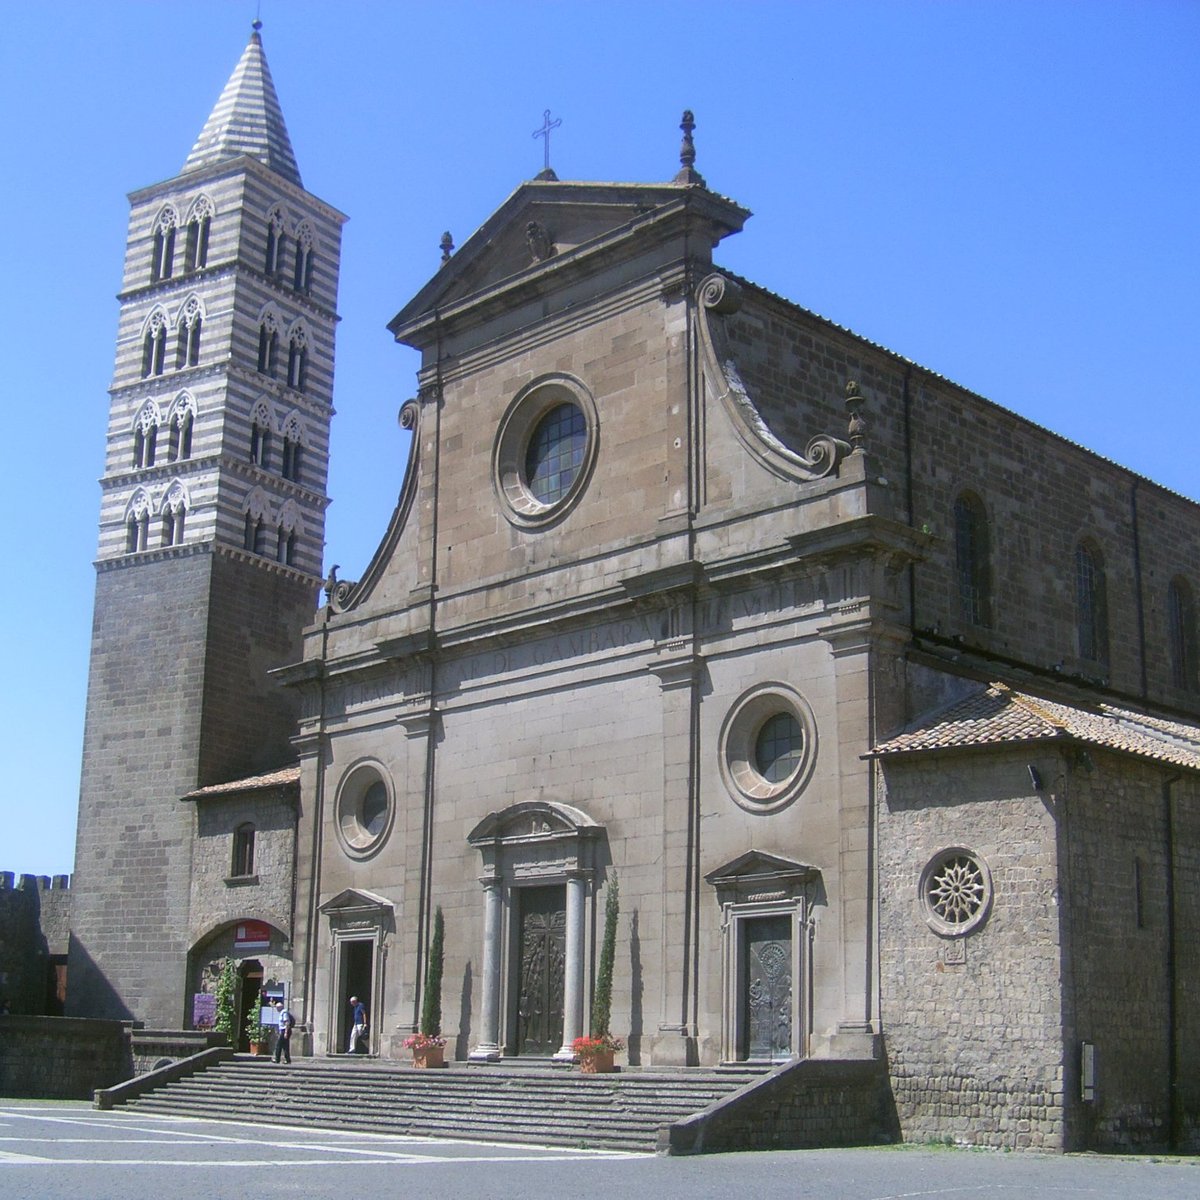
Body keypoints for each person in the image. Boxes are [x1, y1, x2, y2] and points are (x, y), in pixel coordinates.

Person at [272, 999, 294, 1064]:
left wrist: (286, 1032)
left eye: (277, 1008)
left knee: (279, 1045)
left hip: (285, 1030)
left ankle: (277, 1059)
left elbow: (287, 1023)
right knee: (285, 1046)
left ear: (279, 1007)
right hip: (284, 1030)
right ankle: (288, 1059)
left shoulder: (284, 1013)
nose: (276, 1009)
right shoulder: (283, 1012)